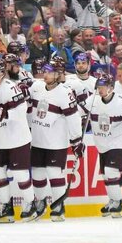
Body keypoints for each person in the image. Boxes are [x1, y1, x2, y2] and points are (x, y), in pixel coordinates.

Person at [0, 58, 36, 222]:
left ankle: (30, 203)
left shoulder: (11, 88)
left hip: (17, 138)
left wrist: (5, 115)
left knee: (19, 173)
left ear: (2, 74)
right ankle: (6, 206)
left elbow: (20, 111)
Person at [26, 58, 82, 221]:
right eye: (45, 71)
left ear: (58, 75)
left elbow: (74, 118)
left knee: (53, 172)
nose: (46, 74)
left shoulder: (65, 92)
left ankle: (58, 206)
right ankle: (41, 203)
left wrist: (76, 139)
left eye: (50, 72)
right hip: (37, 140)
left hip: (56, 142)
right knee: (37, 173)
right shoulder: (36, 87)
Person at [85, 72, 122, 218]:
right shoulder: (93, 100)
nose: (100, 89)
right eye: (98, 86)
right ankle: (112, 200)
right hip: (102, 143)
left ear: (111, 87)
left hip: (120, 142)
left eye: (103, 86)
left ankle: (117, 203)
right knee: (106, 175)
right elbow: (77, 113)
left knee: (111, 172)